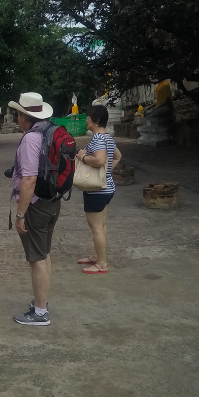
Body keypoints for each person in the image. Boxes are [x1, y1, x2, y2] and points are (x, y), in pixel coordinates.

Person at [8, 92, 61, 327]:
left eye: (18, 113)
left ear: (24, 116)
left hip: (36, 204)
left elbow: (29, 179)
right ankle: (42, 302)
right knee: (44, 253)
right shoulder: (48, 131)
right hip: (51, 201)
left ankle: (40, 312)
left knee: (37, 257)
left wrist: (20, 214)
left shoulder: (31, 138)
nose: (17, 118)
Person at [76, 104, 121, 274]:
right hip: (107, 187)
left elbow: (100, 160)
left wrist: (83, 156)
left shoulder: (98, 139)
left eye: (89, 116)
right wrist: (106, 172)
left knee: (96, 227)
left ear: (96, 120)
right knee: (101, 225)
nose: (86, 119)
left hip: (97, 191)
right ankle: (97, 255)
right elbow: (117, 156)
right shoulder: (106, 137)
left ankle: (102, 263)